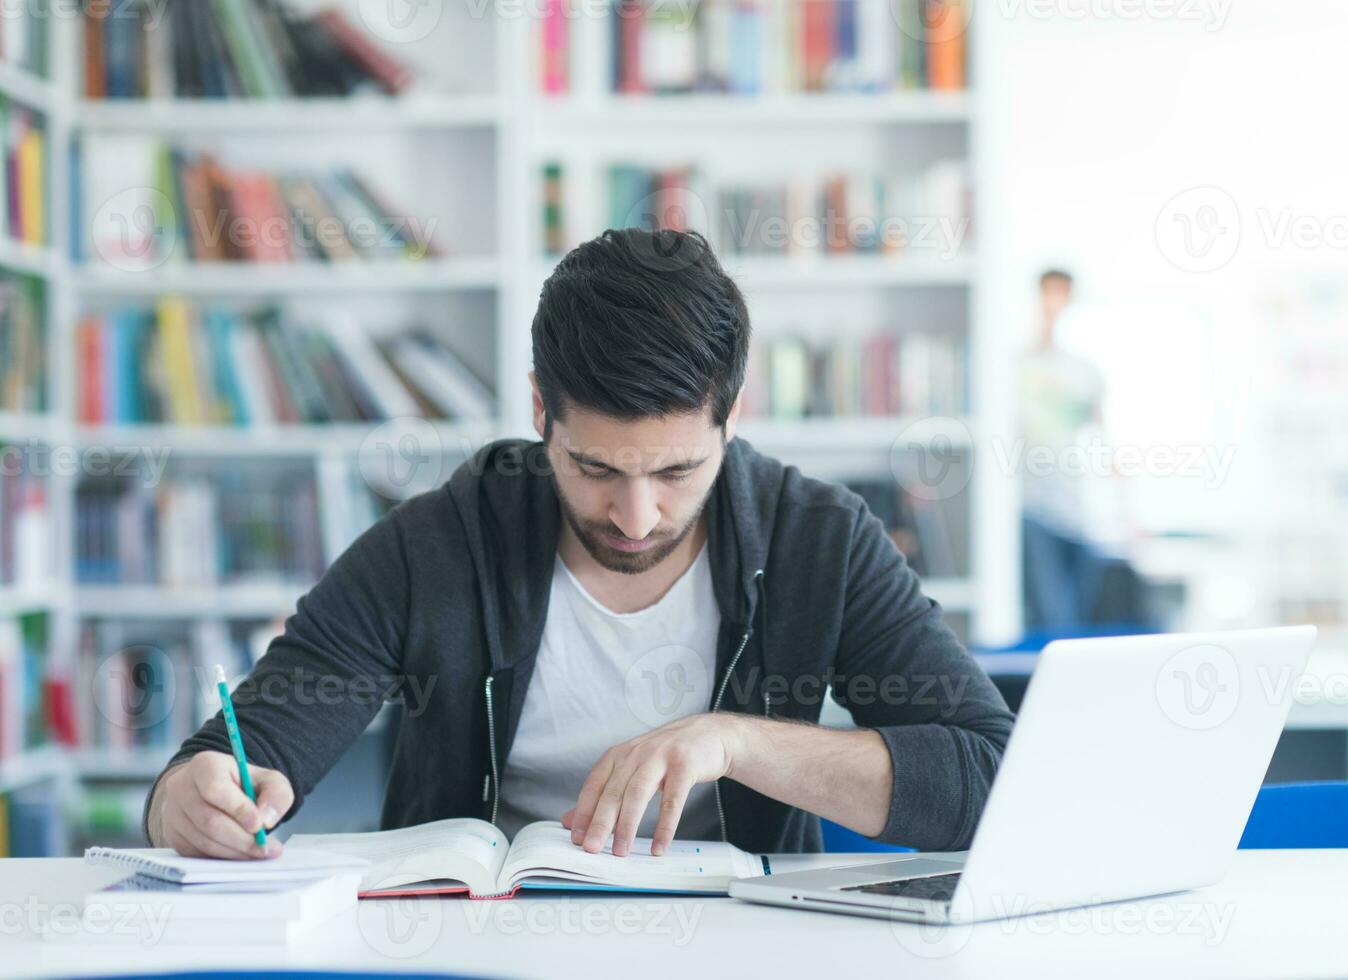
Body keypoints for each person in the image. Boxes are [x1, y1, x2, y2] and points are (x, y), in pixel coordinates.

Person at [144, 229, 1015, 861]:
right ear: (538, 411)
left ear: (731, 417)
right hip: (474, 947)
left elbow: (988, 778)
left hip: (744, 951)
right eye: (595, 467)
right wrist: (192, 797)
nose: (635, 516)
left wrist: (735, 742)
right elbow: (244, 749)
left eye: (676, 471)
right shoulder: (438, 543)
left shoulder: (818, 541)